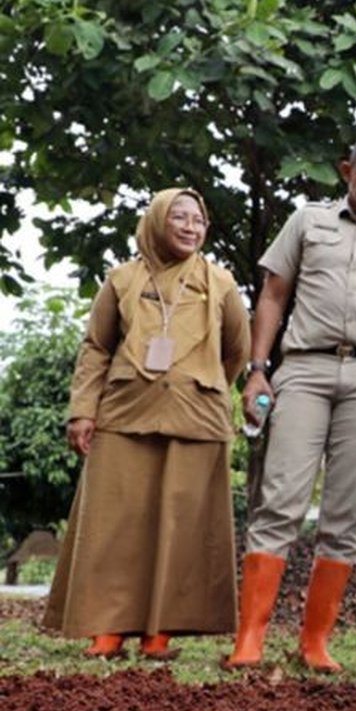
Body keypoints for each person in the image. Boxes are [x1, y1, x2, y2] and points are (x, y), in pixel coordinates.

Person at [226, 136, 356, 672]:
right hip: (305, 367)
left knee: (346, 513)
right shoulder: (308, 221)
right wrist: (258, 370)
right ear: (347, 171)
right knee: (280, 499)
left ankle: (315, 641)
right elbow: (273, 294)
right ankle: (250, 637)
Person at [43, 188, 250, 660]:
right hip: (124, 413)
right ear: (157, 221)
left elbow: (236, 349)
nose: (190, 227)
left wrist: (200, 381)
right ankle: (107, 629)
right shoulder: (121, 279)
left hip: (196, 419)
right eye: (178, 217)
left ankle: (161, 633)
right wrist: (83, 410)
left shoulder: (219, 282)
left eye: (198, 220)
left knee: (183, 527)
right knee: (115, 523)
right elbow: (96, 346)